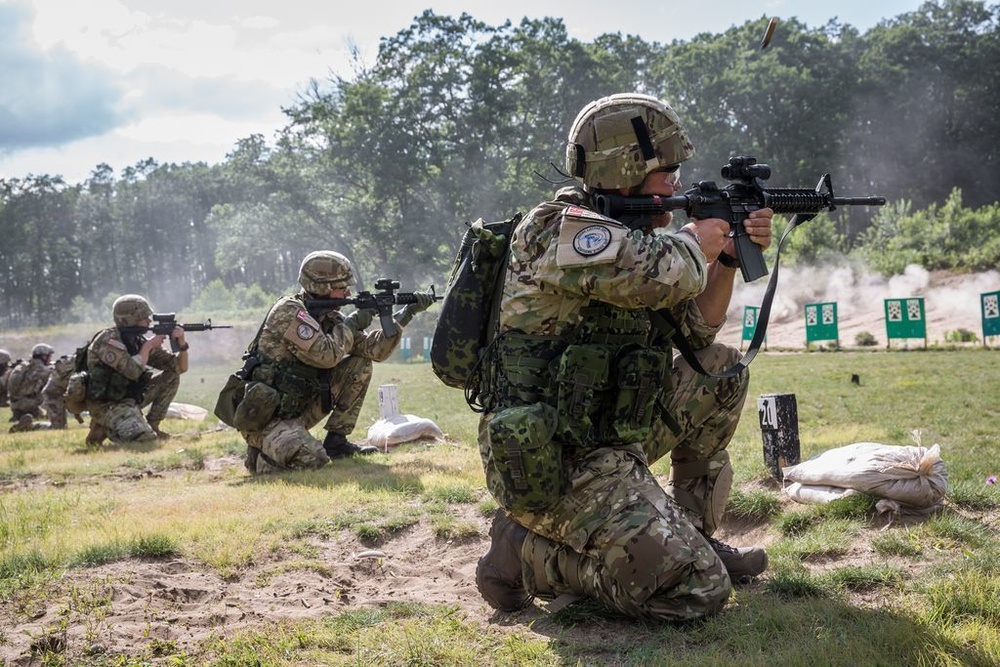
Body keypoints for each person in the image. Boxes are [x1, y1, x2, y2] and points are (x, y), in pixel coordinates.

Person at [474, 93, 774, 621]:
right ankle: (525, 552)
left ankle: (694, 533)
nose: (677, 182)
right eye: (667, 169)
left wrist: (724, 255)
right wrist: (695, 238)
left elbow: (699, 324)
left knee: (721, 369)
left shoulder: (641, 236)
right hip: (555, 456)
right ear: (625, 167)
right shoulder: (559, 229)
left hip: (615, 433)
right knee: (696, 592)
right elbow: (662, 270)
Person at [235, 250, 435, 474]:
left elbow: (373, 350)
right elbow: (327, 355)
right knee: (313, 459)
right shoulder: (289, 312)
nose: (348, 292)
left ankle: (336, 443)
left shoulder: (329, 317)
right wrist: (351, 324)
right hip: (266, 417)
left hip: (299, 407)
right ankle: (261, 457)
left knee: (360, 364)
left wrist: (406, 314)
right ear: (323, 287)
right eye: (342, 288)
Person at [83, 294, 187, 446]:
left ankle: (153, 426)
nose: (149, 321)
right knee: (144, 439)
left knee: (172, 376)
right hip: (107, 404)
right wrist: (148, 346)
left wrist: (182, 344)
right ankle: (104, 427)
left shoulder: (137, 340)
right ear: (129, 319)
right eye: (144, 317)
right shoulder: (109, 341)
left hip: (130, 398)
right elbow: (132, 371)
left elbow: (179, 367)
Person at [8, 343, 54, 432]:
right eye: (49, 356)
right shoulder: (40, 368)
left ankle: (19, 417)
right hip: (29, 404)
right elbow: (53, 376)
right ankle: (27, 425)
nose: (50, 359)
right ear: (44, 356)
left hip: (16, 405)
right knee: (55, 420)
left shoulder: (23, 366)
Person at [41, 354, 80, 429]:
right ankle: (31, 426)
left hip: (64, 392)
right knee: (58, 426)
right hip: (54, 395)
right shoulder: (79, 361)